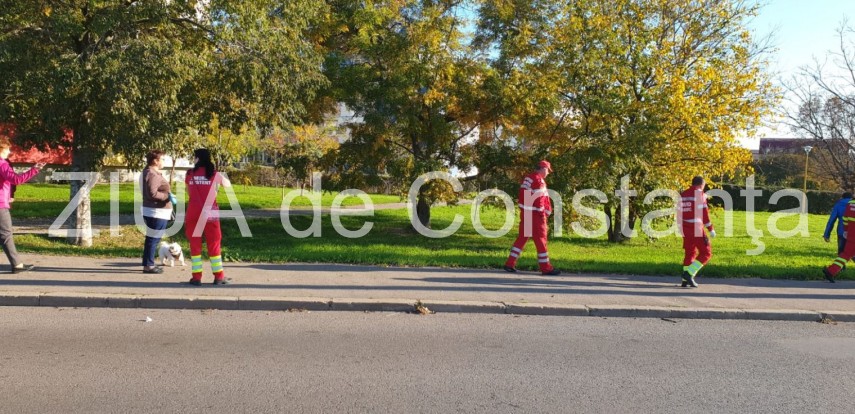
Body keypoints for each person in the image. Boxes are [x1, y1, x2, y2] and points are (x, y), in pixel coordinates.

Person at [503, 160, 561, 276]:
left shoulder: (528, 178)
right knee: (541, 241)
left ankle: (510, 263)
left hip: (527, 214)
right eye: (548, 171)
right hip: (536, 216)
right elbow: (539, 200)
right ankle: (546, 268)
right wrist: (542, 214)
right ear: (543, 168)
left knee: (522, 239)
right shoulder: (539, 180)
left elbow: (524, 196)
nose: (548, 173)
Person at [184, 148, 231, 286]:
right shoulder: (213, 174)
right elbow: (227, 185)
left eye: (194, 157)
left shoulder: (190, 174)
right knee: (214, 243)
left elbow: (189, 193)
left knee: (195, 244)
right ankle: (219, 277)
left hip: (193, 211)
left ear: (198, 159)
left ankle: (196, 277)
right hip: (210, 211)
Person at [0, 136, 45, 273]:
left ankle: (17, 264)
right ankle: (17, 265)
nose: (9, 152)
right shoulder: (2, 164)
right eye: (7, 149)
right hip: (0, 206)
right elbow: (16, 180)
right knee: (6, 235)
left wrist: (9, 196)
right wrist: (34, 170)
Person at [678, 176, 716, 288]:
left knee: (690, 253)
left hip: (685, 228)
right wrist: (711, 229)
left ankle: (684, 280)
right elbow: (704, 213)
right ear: (701, 185)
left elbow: (678, 212)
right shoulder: (700, 194)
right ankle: (689, 274)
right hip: (696, 228)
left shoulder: (683, 194)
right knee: (706, 252)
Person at [141, 150, 173, 274]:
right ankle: (148, 265)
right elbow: (152, 193)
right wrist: (167, 196)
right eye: (163, 159)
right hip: (156, 211)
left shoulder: (152, 172)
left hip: (156, 210)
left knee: (152, 238)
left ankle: (147, 263)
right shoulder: (152, 174)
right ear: (155, 160)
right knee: (153, 239)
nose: (164, 161)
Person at [823, 197, 855, 283]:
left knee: (846, 255)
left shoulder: (850, 203)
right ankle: (830, 271)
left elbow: (845, 218)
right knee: (846, 255)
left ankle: (830, 271)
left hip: (851, 234)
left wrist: (846, 230)